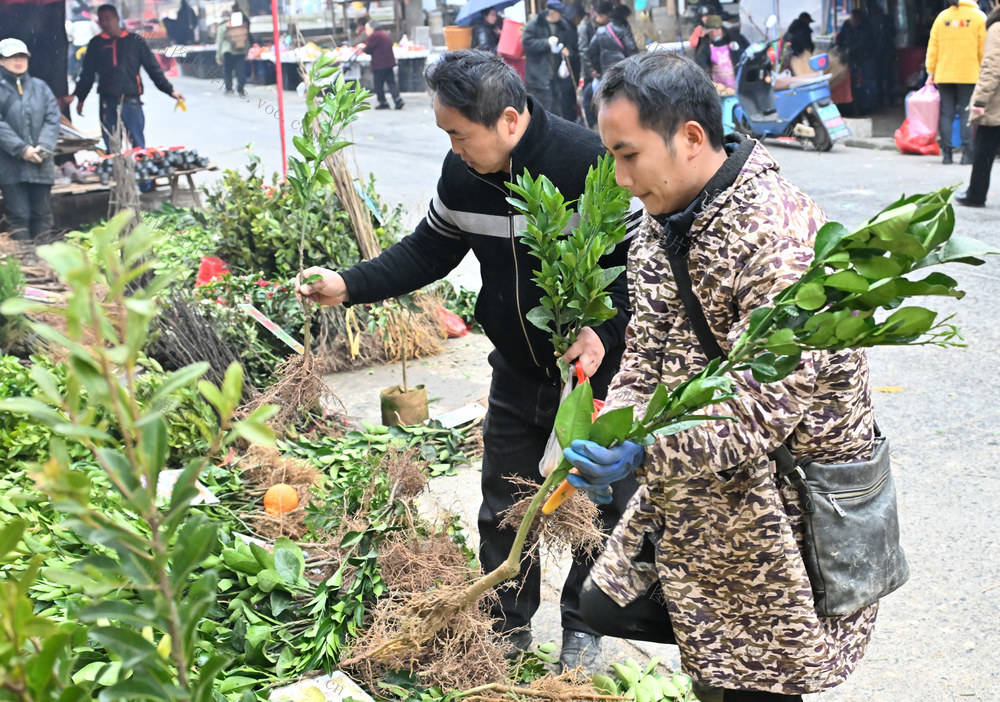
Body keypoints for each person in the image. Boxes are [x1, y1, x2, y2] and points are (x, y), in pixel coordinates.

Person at [295, 50, 639, 674]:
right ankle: (504, 629)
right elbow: (427, 251)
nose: (452, 147)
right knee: (504, 509)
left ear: (509, 121)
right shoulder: (463, 178)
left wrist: (603, 332)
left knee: (600, 509)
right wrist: (345, 285)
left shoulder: (589, 166)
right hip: (516, 371)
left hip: (593, 379)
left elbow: (636, 276)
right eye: (445, 133)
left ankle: (583, 627)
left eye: (458, 132)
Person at [563, 51, 879, 701]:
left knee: (758, 676)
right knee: (683, 643)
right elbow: (646, 354)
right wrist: (614, 424)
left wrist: (646, 448)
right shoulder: (659, 221)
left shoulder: (776, 234)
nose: (620, 178)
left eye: (628, 155)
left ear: (691, 139)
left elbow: (765, 408)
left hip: (787, 501)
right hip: (708, 486)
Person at [70, 4, 185, 152]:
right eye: (101, 20)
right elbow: (87, 74)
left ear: (117, 19)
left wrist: (170, 91)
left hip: (131, 101)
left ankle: (139, 173)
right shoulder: (96, 44)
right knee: (112, 148)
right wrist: (81, 98)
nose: (105, 23)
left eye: (108, 19)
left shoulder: (135, 41)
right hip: (107, 102)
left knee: (138, 148)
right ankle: (116, 174)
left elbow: (153, 69)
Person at [0, 39, 60, 241]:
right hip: (9, 164)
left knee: (42, 214)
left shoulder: (40, 87)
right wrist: (21, 149)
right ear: (1, 61)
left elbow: (53, 119)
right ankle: (27, 264)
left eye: (22, 56)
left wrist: (43, 147)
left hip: (40, 161)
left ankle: (46, 262)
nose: (18, 60)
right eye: (12, 56)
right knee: (19, 215)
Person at [926, 0, 987, 163]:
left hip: (944, 73)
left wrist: (930, 72)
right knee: (966, 112)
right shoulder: (978, 18)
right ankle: (967, 154)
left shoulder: (942, 17)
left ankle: (947, 154)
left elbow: (933, 47)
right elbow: (983, 50)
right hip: (968, 74)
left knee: (947, 113)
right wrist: (984, 72)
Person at [956, 3, 1000, 206]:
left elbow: (992, 65)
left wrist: (981, 100)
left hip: (996, 101)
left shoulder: (997, 27)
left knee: (984, 148)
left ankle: (976, 194)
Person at [522, 0, 578, 119]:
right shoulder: (535, 25)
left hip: (556, 76)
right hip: (539, 76)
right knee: (541, 110)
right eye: (559, 13)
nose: (561, 16)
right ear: (552, 12)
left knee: (556, 108)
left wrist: (567, 50)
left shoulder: (563, 26)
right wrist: (546, 43)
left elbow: (571, 45)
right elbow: (527, 43)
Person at [579, 1, 613, 126]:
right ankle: (591, 124)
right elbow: (583, 51)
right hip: (591, 72)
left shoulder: (607, 27)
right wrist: (591, 70)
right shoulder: (586, 27)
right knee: (590, 99)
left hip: (602, 69)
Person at [693, 14, 748, 90]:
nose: (714, 34)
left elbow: (747, 55)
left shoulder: (736, 38)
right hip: (719, 89)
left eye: (716, 30)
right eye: (711, 32)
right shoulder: (705, 45)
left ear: (721, 28)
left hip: (739, 86)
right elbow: (700, 66)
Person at [587, 3, 639, 80]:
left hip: (606, 72)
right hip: (623, 69)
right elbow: (632, 48)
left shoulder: (600, 31)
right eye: (628, 17)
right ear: (624, 16)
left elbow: (592, 51)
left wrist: (598, 69)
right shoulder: (624, 29)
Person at [361, 20, 404, 110]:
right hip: (388, 62)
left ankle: (382, 101)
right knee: (391, 82)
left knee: (378, 84)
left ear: (372, 28)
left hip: (379, 63)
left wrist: (363, 48)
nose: (366, 31)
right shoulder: (383, 34)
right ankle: (397, 99)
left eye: (367, 29)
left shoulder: (375, 35)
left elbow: (368, 49)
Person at [216, 4, 249, 97]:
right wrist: (246, 51)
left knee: (227, 71)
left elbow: (219, 42)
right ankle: (241, 89)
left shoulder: (222, 26)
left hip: (228, 52)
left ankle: (229, 88)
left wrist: (218, 56)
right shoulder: (238, 24)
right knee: (240, 71)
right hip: (240, 51)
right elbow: (245, 38)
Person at [65, 6, 99, 82]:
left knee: (72, 60)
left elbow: (67, 32)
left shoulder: (71, 21)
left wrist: (71, 39)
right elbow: (96, 30)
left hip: (76, 45)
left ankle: (70, 75)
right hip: (88, 45)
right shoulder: (89, 21)